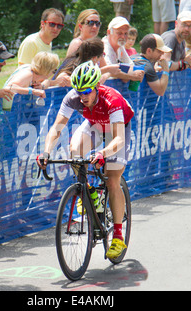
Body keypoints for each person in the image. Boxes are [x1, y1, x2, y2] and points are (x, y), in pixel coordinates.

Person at [37, 61, 134, 259]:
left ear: (97, 86)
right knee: (75, 151)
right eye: (79, 91)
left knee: (112, 178)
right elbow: (57, 127)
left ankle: (117, 235)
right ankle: (89, 193)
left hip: (117, 128)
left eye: (87, 91)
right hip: (96, 124)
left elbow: (118, 139)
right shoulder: (73, 97)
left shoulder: (111, 99)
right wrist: (46, 152)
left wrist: (102, 154)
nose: (83, 96)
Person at [55, 37, 121, 86]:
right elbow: (75, 80)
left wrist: (106, 74)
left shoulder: (85, 66)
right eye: (103, 55)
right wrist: (106, 69)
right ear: (95, 58)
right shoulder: (71, 66)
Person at [102, 17, 145, 82]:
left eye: (126, 33)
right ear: (109, 32)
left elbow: (130, 64)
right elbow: (111, 71)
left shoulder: (120, 46)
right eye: (119, 33)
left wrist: (135, 73)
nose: (123, 37)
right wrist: (131, 76)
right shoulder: (104, 48)